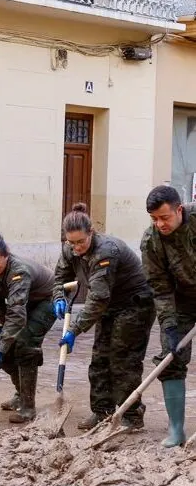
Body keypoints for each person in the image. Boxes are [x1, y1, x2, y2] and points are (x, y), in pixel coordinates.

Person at [53, 203, 155, 430]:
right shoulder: (70, 249)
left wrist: (74, 330)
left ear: (91, 232)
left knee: (122, 359)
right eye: (72, 242)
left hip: (134, 305)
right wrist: (58, 297)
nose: (77, 247)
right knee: (99, 358)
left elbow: (98, 298)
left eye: (81, 242)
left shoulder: (105, 252)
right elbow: (60, 276)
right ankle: (102, 412)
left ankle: (131, 415)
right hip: (109, 306)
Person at [0, 232, 55, 423]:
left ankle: (28, 407)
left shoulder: (19, 272)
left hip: (48, 299)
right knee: (5, 346)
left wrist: (0, 350)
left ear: (6, 256)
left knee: (25, 344)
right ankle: (21, 394)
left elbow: (17, 316)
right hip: (23, 303)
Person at [141, 185, 196, 448]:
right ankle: (176, 430)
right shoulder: (151, 241)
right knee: (171, 356)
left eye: (165, 217)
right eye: (154, 218)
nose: (160, 224)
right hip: (181, 300)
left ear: (179, 210)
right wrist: (170, 325)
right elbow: (160, 288)